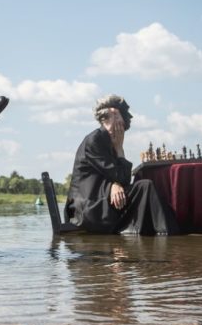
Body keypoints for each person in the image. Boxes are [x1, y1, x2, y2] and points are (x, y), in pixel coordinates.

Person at [65, 95, 179, 235]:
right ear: (109, 116)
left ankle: (162, 230)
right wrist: (119, 149)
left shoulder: (107, 139)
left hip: (98, 199)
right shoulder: (95, 140)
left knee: (142, 187)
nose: (123, 122)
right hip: (87, 208)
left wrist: (114, 184)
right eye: (119, 116)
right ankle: (168, 233)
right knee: (145, 187)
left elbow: (113, 176)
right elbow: (122, 177)